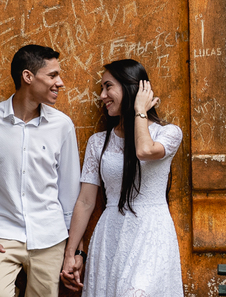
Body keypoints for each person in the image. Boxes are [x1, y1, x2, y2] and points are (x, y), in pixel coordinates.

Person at [0, 44, 82, 297]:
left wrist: (75, 251)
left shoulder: (62, 125)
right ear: (28, 77)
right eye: (52, 75)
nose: (60, 83)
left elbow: (70, 196)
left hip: (50, 237)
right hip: (1, 236)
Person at [61, 59, 183, 296]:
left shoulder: (168, 133)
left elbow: (144, 151)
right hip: (111, 235)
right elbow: (86, 201)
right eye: (101, 89)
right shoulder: (98, 143)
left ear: (132, 89)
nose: (102, 95)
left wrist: (139, 110)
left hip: (151, 234)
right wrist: (70, 254)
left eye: (108, 87)